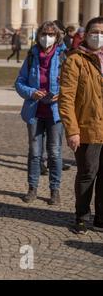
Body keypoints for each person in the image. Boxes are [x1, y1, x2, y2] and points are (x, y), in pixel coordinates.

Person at [59, 16, 103, 235]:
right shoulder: (75, 59)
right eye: (94, 31)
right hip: (87, 128)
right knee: (87, 174)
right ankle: (82, 216)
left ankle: (101, 217)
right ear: (85, 35)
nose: (98, 36)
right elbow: (66, 98)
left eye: (102, 32)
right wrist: (72, 130)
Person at [15, 21, 67, 206]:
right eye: (44, 34)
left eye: (51, 34)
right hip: (34, 111)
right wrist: (31, 92)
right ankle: (32, 188)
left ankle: (55, 189)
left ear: (57, 36)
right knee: (35, 153)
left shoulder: (64, 56)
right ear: (38, 36)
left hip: (55, 113)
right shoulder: (31, 56)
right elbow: (19, 82)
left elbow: (73, 84)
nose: (47, 37)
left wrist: (61, 93)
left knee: (55, 152)